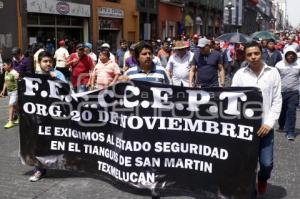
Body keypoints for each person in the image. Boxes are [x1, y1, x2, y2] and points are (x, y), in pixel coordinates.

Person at [231, 41, 282, 195]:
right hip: (245, 127)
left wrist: (269, 123)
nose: (253, 57)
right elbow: (233, 99)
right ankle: (248, 191)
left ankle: (263, 179)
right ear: (245, 57)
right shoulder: (240, 74)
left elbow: (277, 100)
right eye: (249, 54)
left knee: (266, 164)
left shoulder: (273, 72)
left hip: (265, 126)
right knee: (246, 164)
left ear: (261, 53)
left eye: (256, 53)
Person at [29, 50, 67, 182]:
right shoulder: (34, 77)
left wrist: (55, 78)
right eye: (45, 61)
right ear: (39, 63)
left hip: (55, 116)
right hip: (40, 117)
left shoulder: (58, 74)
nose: (48, 63)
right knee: (38, 143)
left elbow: (67, 90)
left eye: (50, 61)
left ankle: (63, 163)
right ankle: (39, 169)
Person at [275, 46, 300, 141]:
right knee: (282, 110)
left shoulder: (299, 64)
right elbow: (275, 79)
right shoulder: (279, 65)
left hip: (294, 92)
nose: (290, 56)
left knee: (292, 111)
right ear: (285, 55)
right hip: (281, 92)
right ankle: (281, 124)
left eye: (292, 54)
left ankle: (290, 132)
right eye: (288, 54)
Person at [0, 58, 19, 129]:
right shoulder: (6, 72)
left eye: (4, 65)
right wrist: (3, 91)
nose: (3, 67)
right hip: (9, 92)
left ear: (9, 65)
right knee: (16, 106)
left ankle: (10, 121)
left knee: (11, 105)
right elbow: (5, 82)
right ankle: (20, 117)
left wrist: (19, 92)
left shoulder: (14, 73)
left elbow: (19, 81)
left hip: (15, 92)